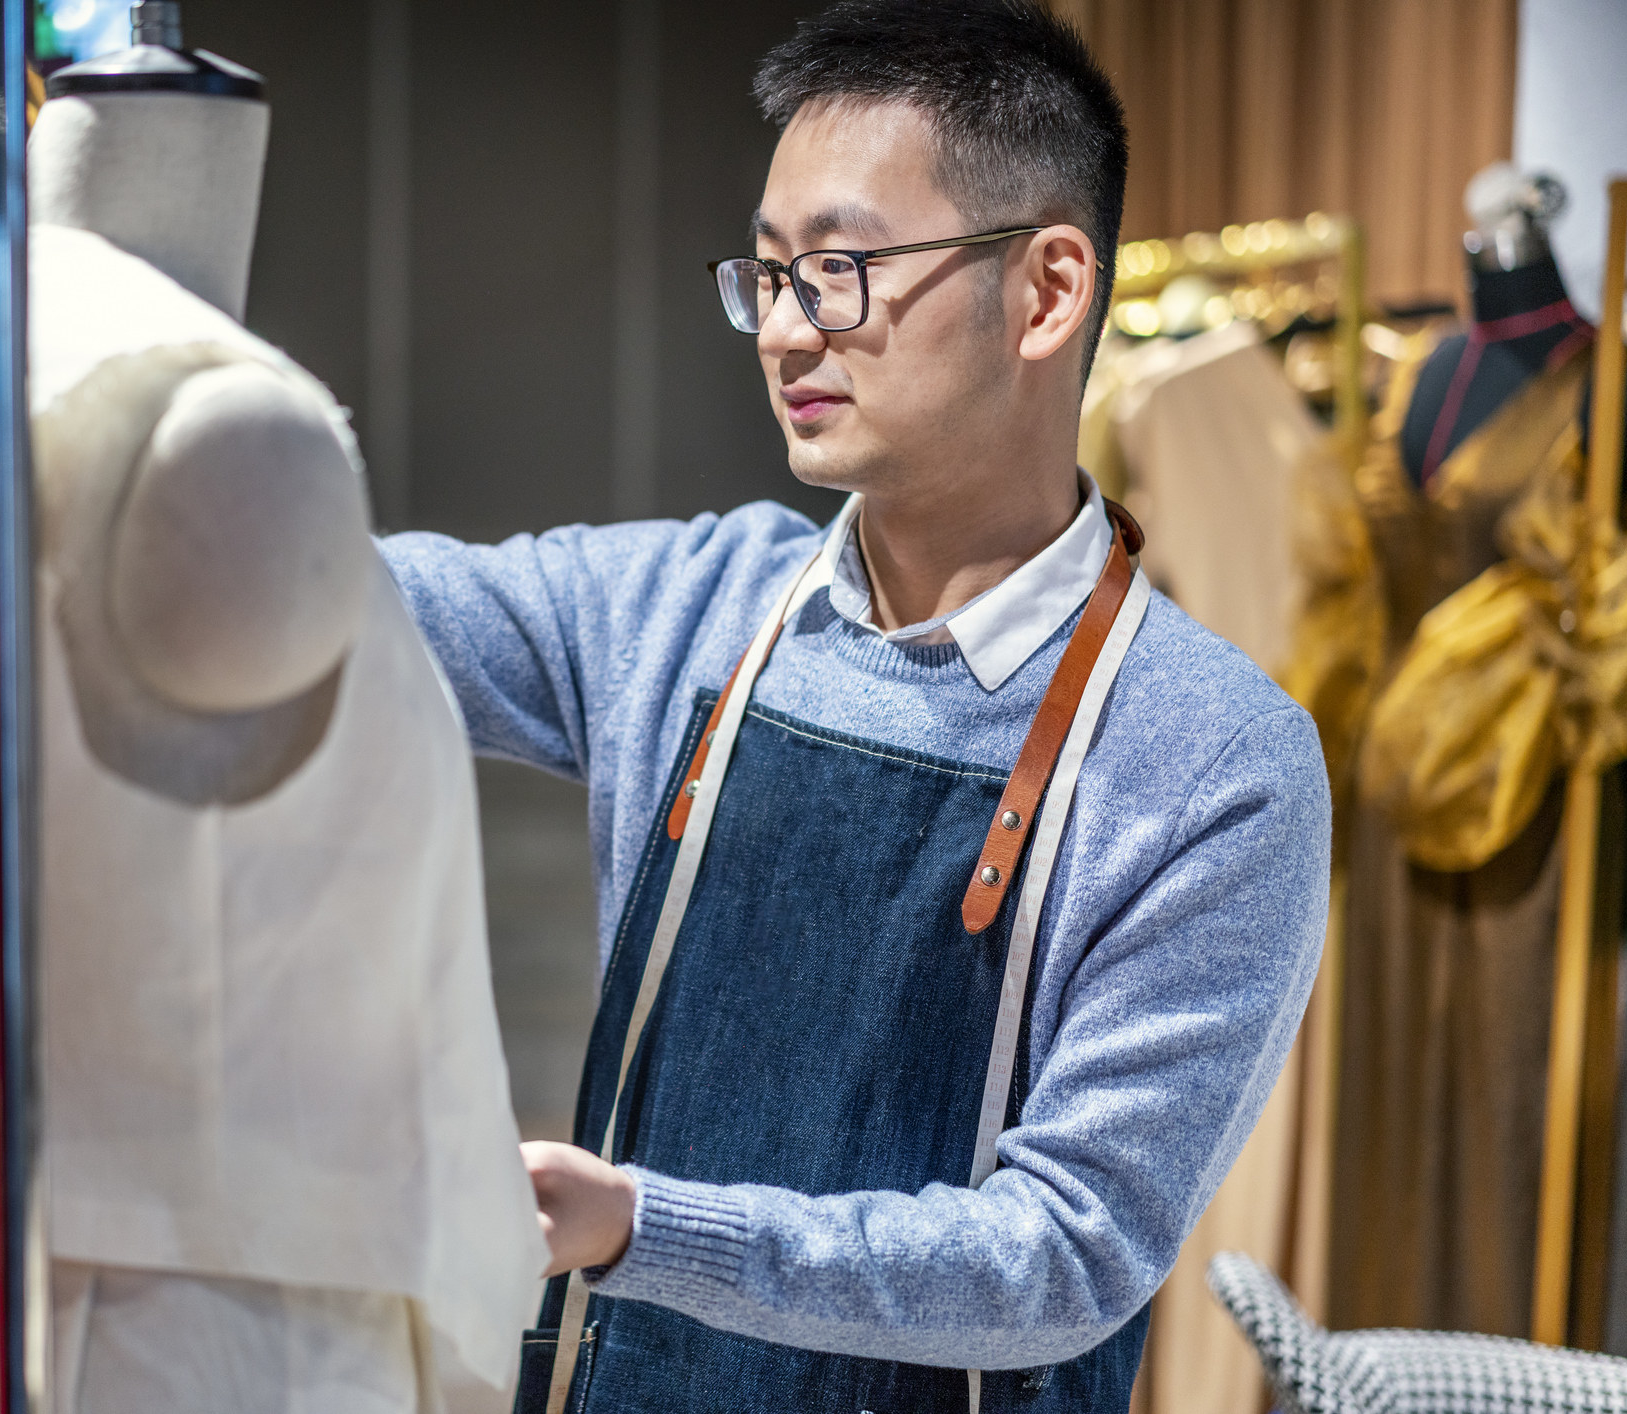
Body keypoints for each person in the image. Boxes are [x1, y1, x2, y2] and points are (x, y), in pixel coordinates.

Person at [379, 2, 1331, 1410]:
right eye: (763, 276)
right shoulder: (687, 608)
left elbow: (1057, 1254)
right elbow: (348, 603)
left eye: (835, 271)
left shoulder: (1213, 761)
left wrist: (646, 1223)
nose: (780, 330)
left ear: (1048, 291)